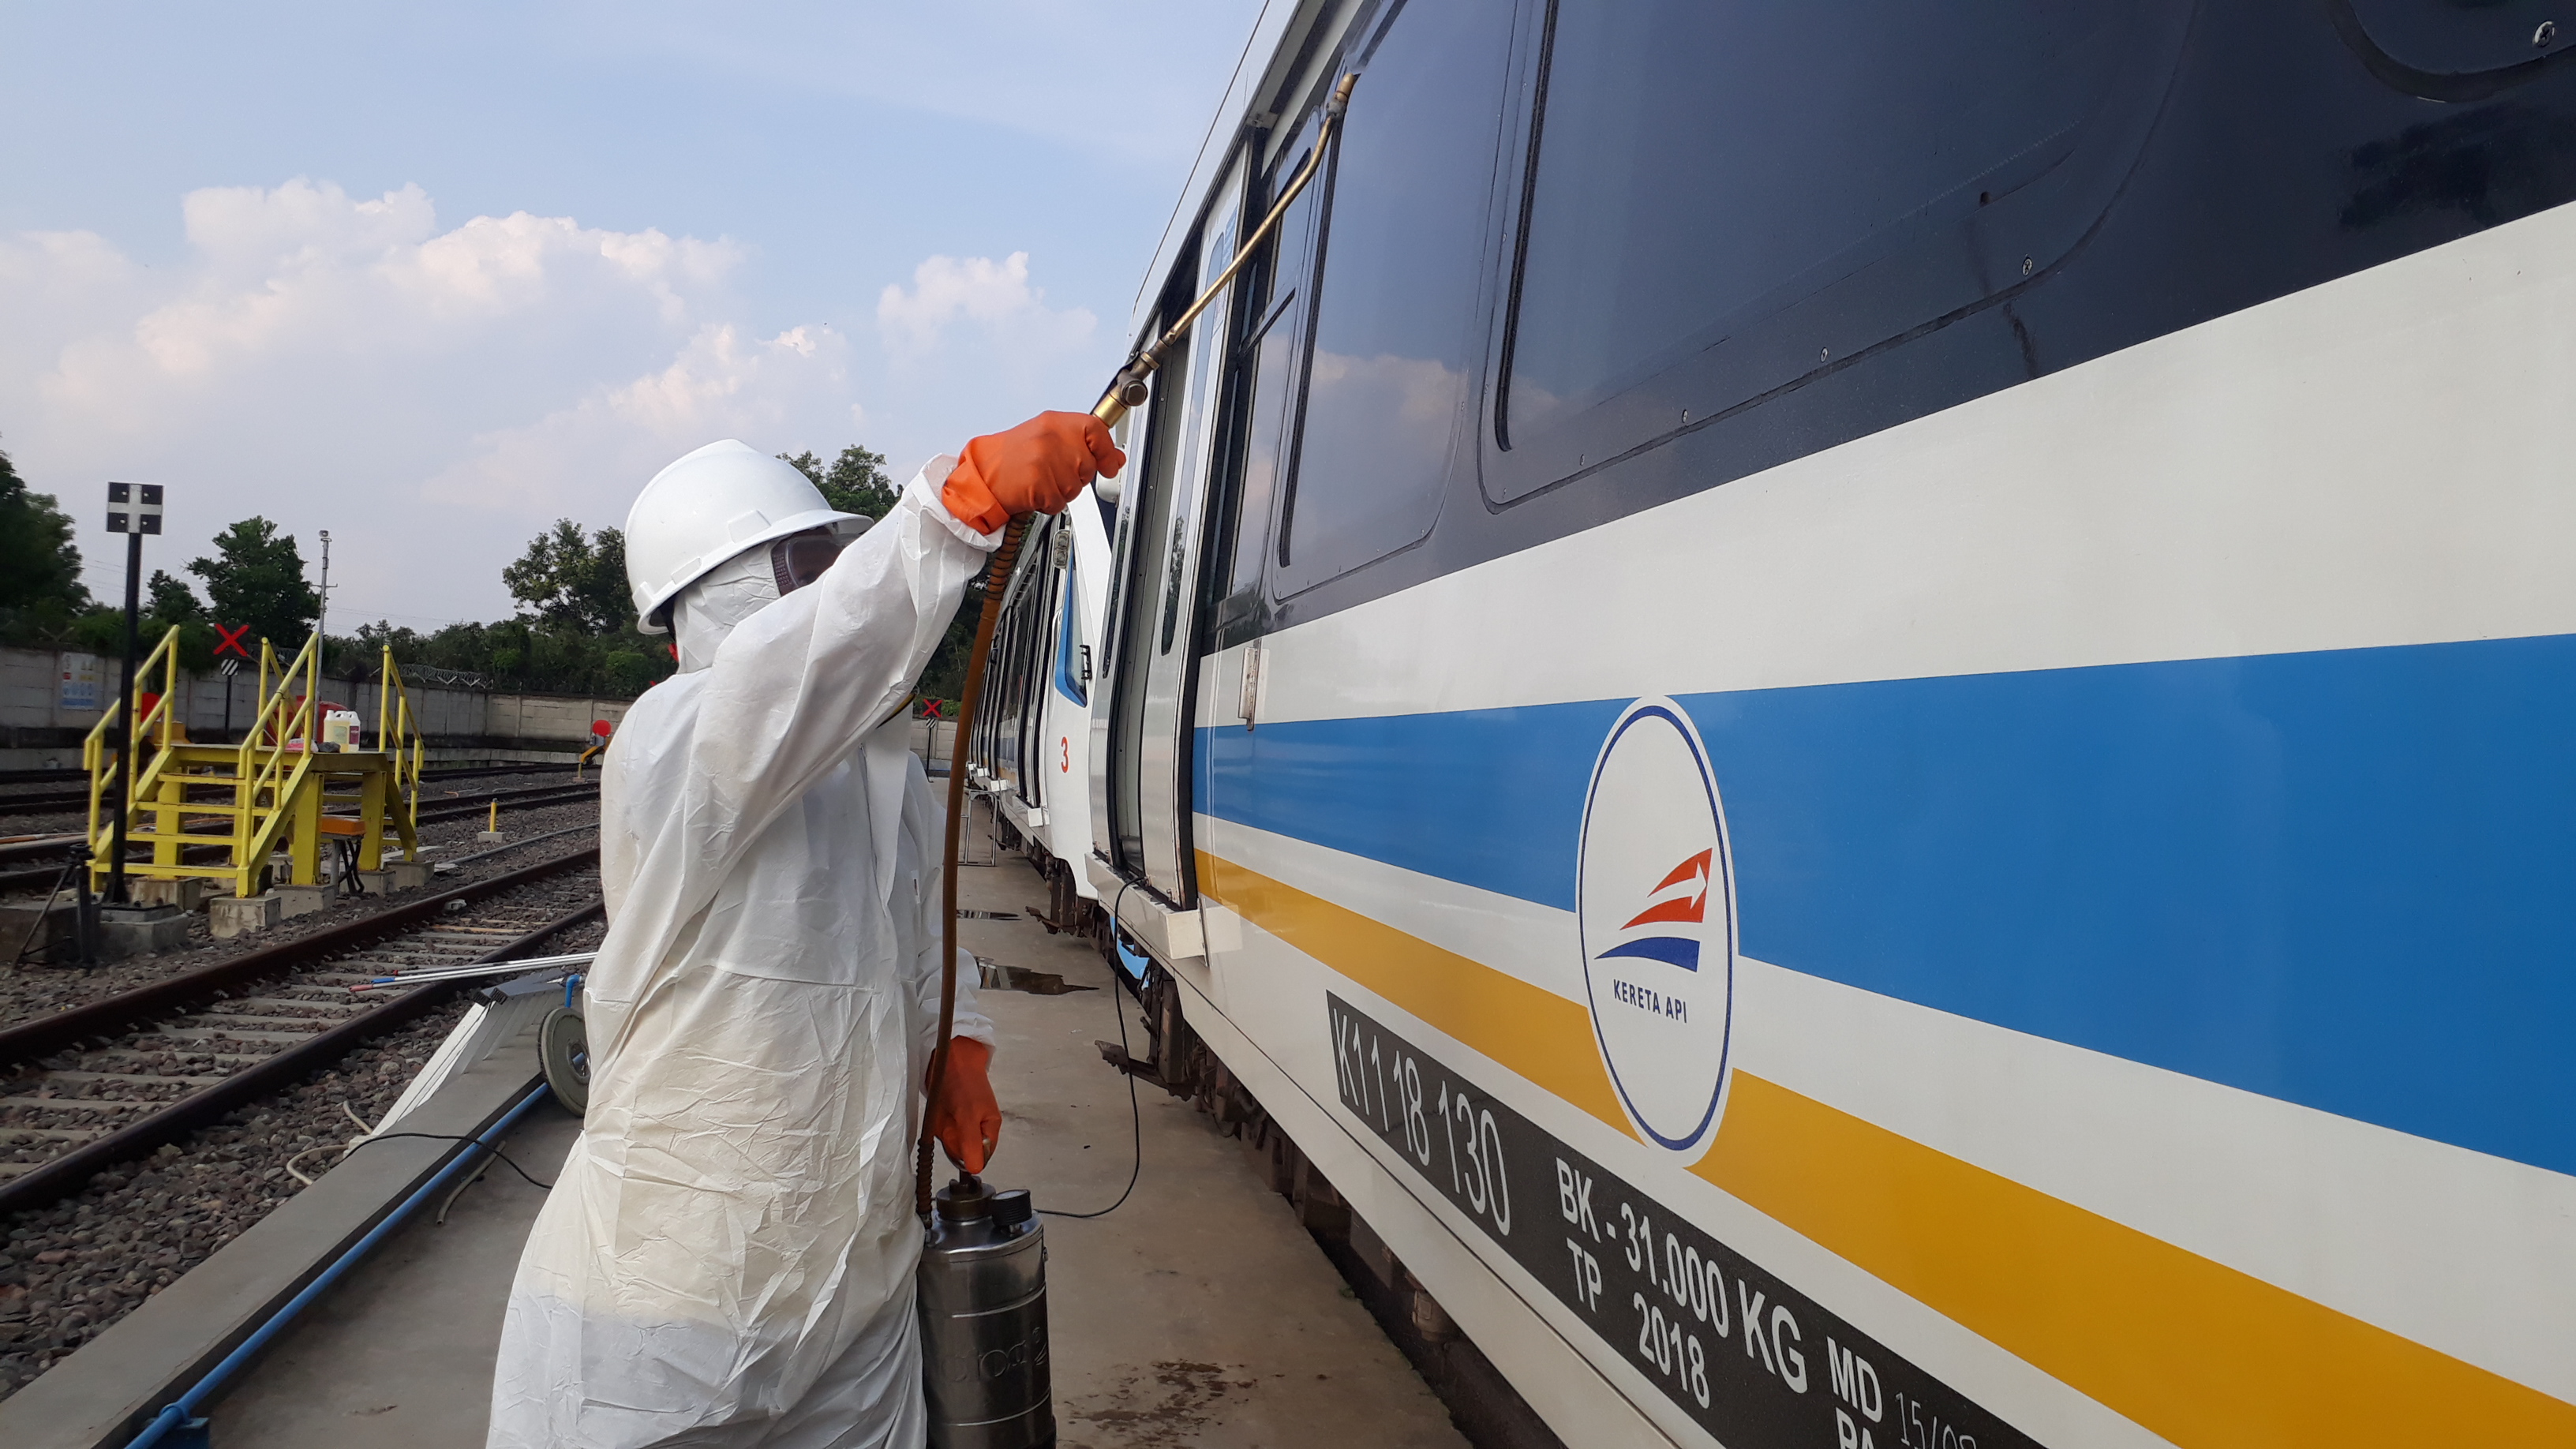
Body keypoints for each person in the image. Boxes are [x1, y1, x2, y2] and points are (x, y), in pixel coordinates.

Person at [487, 413, 1126, 1449]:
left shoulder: (884, 780)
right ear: (720, 596)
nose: (830, 580)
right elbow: (796, 669)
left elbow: (918, 933)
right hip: (669, 1295)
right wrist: (949, 512)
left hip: (856, 1285)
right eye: (806, 563)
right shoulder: (674, 742)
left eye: (837, 559)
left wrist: (955, 1047)